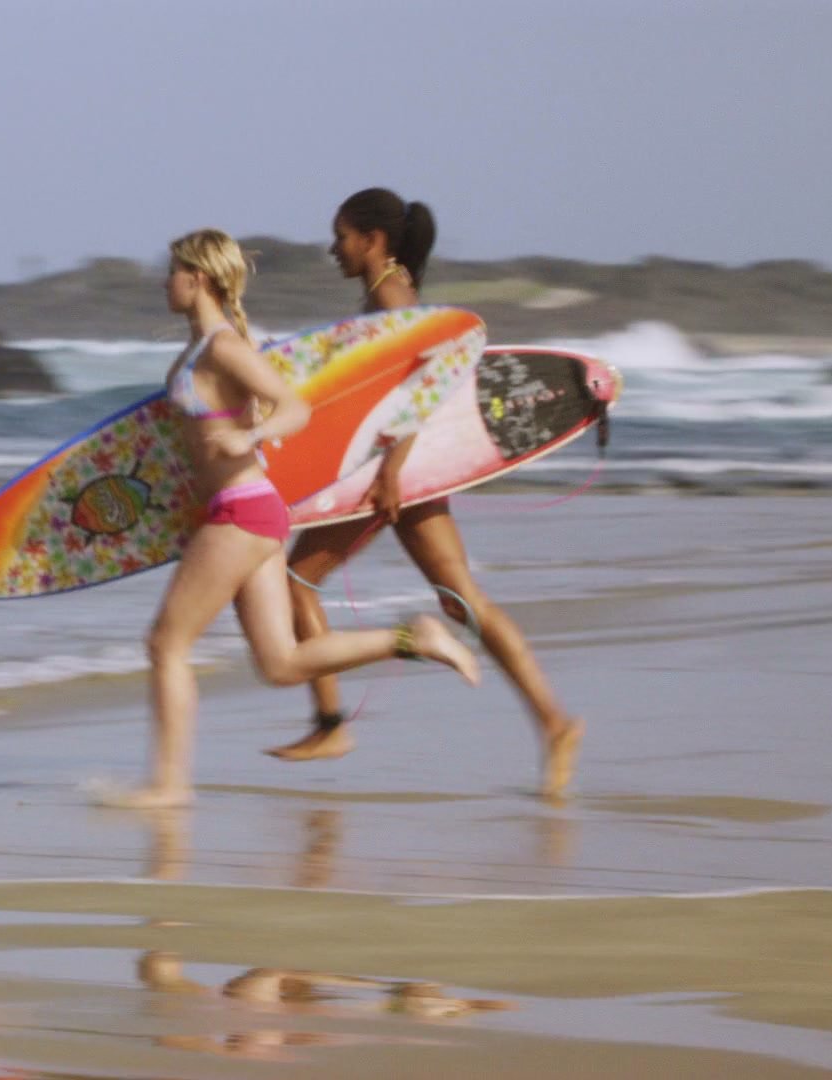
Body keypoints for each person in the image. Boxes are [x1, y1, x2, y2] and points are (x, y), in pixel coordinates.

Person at [106, 229, 478, 809]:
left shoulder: (224, 348)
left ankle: (170, 784)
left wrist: (249, 436)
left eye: (173, 271)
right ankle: (414, 638)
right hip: (247, 513)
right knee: (280, 664)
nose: (164, 281)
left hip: (241, 513)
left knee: (165, 644)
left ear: (197, 278)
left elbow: (294, 408)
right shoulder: (199, 349)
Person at [265, 189, 583, 797]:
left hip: (392, 475)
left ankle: (330, 724)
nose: (333, 248)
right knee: (461, 600)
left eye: (341, 236)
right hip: (409, 473)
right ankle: (553, 721)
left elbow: (427, 385)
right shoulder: (392, 293)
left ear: (373, 240)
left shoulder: (391, 297)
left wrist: (390, 471)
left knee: (295, 581)